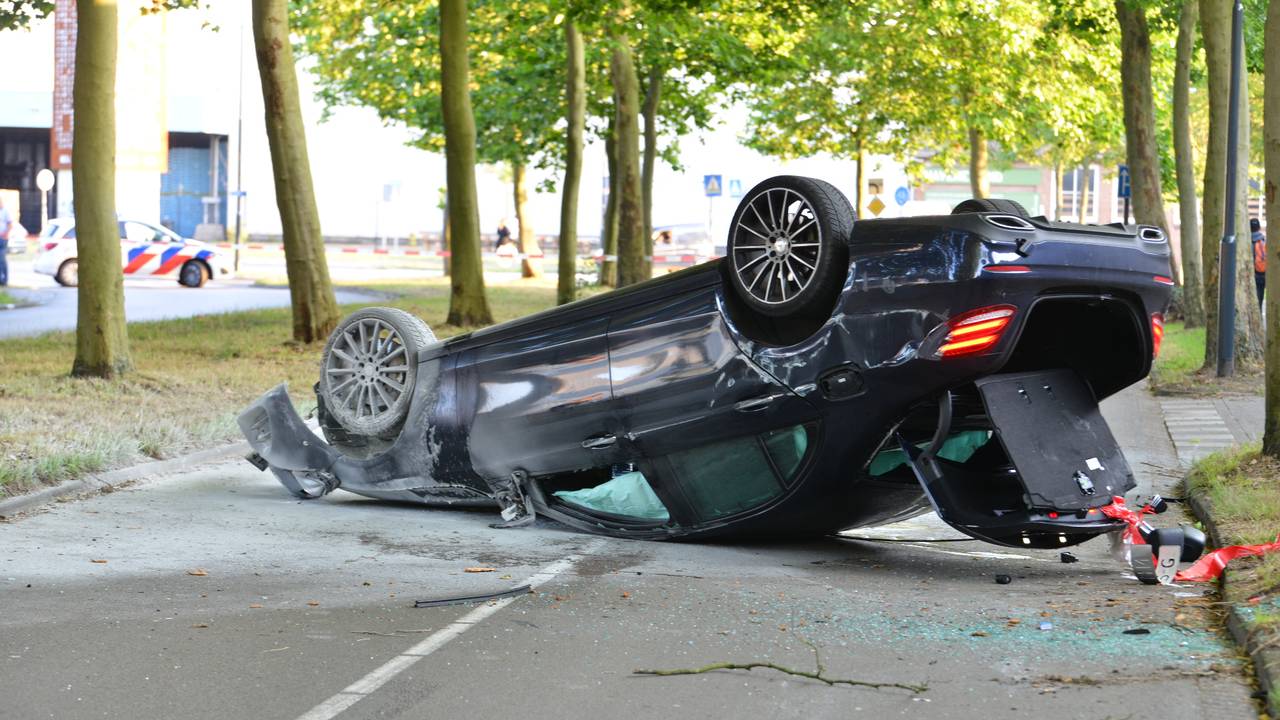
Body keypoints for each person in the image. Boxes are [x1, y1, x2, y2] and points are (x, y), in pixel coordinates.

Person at [1252, 218, 1266, 308]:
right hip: (1263, 274)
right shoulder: (1264, 240)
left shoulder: (1248, 241)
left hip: (1253, 274)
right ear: (1259, 227)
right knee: (1259, 299)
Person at [0, 197, 11, 287]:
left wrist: (5, 233)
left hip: (3, 239)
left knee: (2, 259)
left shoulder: (5, 212)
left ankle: (5, 279)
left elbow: (10, 224)